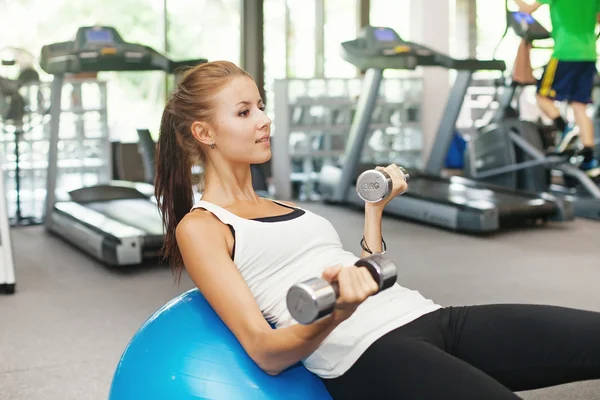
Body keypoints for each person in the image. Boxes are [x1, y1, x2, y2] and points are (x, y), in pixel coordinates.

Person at [154, 60, 600, 399]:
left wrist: (374, 211)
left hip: (427, 316)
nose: (264, 119)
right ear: (204, 132)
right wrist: (336, 313)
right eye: (244, 111)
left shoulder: (284, 205)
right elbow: (266, 353)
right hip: (367, 353)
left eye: (262, 106)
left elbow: (368, 275)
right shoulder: (204, 226)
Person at [515, 0, 600, 181]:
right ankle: (588, 157)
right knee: (579, 106)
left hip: (565, 52)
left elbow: (526, 9)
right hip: (589, 53)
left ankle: (564, 128)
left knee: (541, 96)